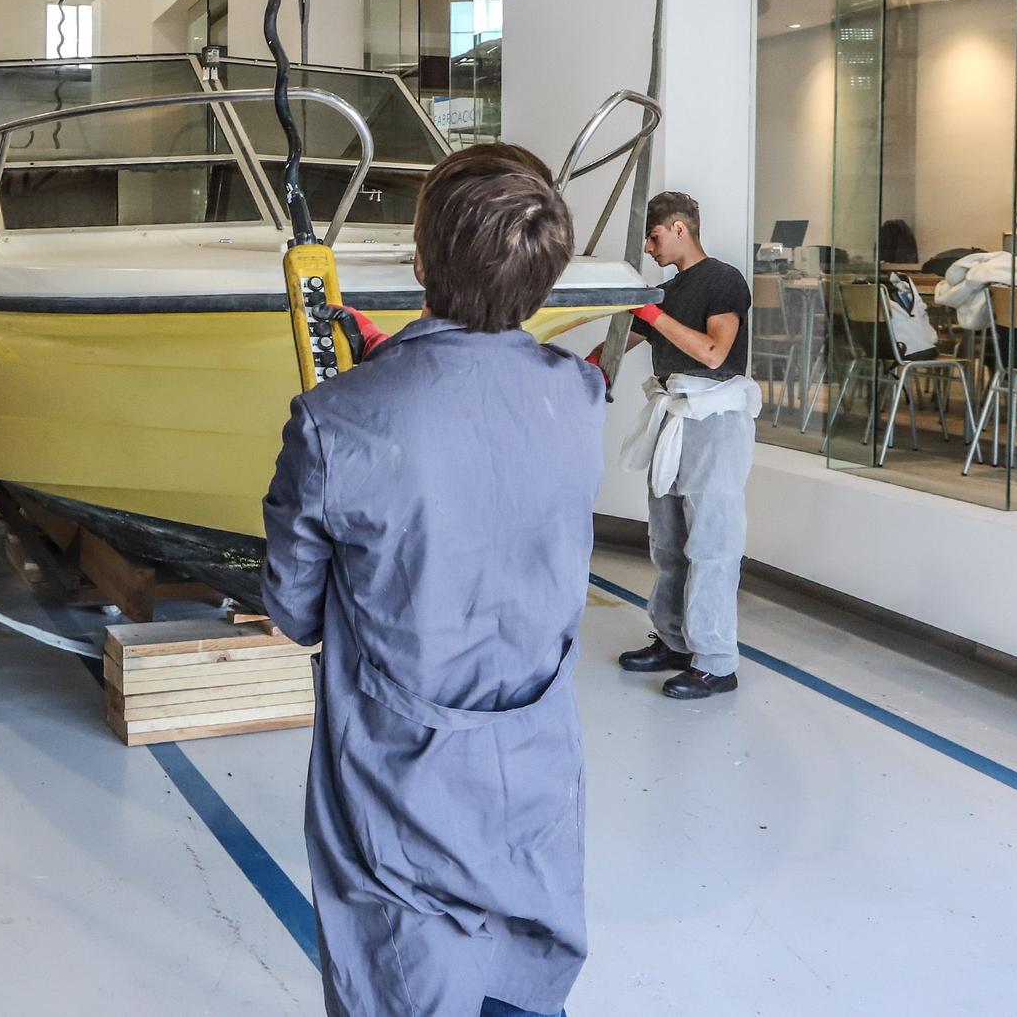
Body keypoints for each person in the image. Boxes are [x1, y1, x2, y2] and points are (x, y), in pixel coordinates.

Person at [264, 143, 603, 1017]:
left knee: (405, 981)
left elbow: (294, 608)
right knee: (524, 987)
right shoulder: (580, 396)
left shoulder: (334, 420)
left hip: (401, 788)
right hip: (532, 766)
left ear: (419, 260)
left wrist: (376, 388)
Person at [594, 191, 760, 701]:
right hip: (674, 417)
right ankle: (674, 642)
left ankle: (714, 662)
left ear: (680, 228)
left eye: (654, 236)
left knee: (712, 546)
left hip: (714, 420)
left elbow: (714, 353)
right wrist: (571, 367)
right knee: (667, 542)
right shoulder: (666, 292)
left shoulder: (723, 280)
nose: (649, 247)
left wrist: (651, 310)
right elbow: (616, 346)